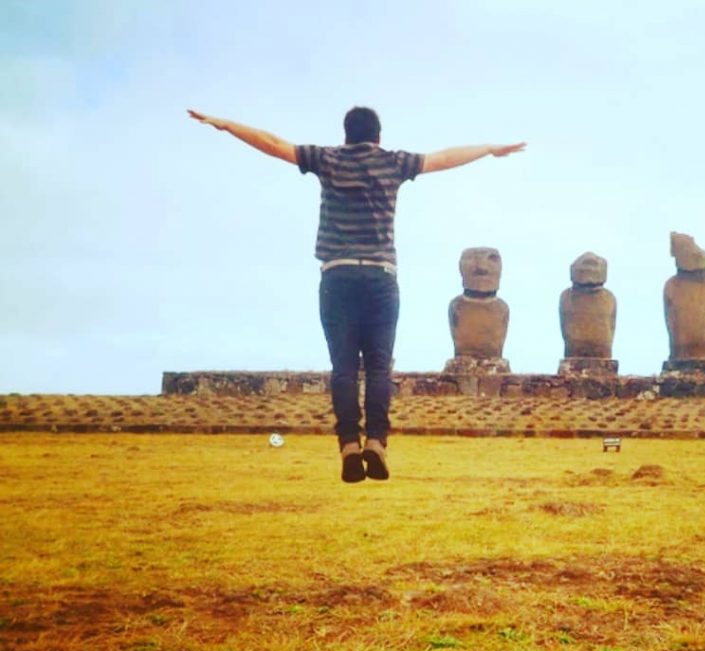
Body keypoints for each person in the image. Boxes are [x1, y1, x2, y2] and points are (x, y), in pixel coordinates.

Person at [188, 106, 525, 483]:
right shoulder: (393, 163)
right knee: (379, 366)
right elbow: (444, 158)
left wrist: (228, 124)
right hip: (381, 277)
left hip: (337, 276)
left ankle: (349, 444)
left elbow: (273, 144)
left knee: (344, 368)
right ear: (378, 136)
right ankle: (377, 443)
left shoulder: (327, 159)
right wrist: (489, 148)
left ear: (345, 134)